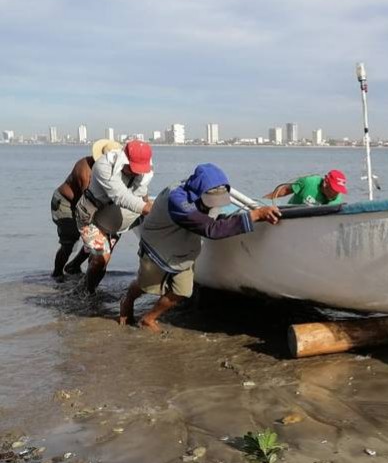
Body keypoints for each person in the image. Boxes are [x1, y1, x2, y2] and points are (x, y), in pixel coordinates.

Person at [119, 163, 281, 331]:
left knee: (182, 291)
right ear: (198, 190)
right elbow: (211, 229)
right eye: (211, 199)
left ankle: (148, 318)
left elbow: (212, 219)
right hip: (159, 244)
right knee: (147, 285)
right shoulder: (178, 199)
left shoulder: (212, 193)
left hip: (184, 247)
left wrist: (258, 211)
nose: (214, 205)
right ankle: (128, 299)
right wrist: (254, 216)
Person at [76, 139, 154, 293]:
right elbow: (121, 197)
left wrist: (149, 203)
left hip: (114, 223)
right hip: (91, 217)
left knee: (101, 261)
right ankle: (88, 294)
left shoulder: (146, 170)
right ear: (124, 158)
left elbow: (142, 191)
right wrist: (150, 210)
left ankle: (85, 287)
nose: (136, 172)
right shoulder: (103, 166)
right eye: (132, 168)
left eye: (140, 169)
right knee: (101, 259)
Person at [51, 139, 122, 278]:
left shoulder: (112, 171)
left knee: (98, 238)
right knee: (69, 242)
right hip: (66, 203)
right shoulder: (85, 171)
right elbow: (87, 202)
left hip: (89, 205)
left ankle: (74, 266)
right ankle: (57, 274)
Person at [263, 169, 347, 205]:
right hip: (291, 214)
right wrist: (262, 200)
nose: (336, 193)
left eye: (338, 190)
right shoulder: (308, 182)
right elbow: (284, 190)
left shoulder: (337, 199)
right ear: (325, 183)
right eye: (334, 189)